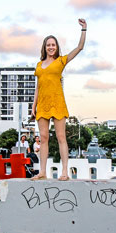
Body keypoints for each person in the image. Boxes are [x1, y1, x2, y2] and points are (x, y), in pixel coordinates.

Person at [30, 18, 87, 180]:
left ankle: (64, 172)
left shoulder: (61, 61)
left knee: (61, 137)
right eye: (48, 45)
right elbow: (38, 87)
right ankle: (41, 172)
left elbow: (80, 47)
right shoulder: (39, 65)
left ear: (56, 47)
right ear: (44, 47)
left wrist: (84, 30)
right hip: (42, 104)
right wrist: (33, 106)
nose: (51, 47)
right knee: (44, 138)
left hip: (57, 102)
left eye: (53, 44)